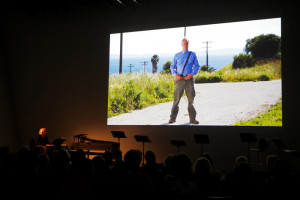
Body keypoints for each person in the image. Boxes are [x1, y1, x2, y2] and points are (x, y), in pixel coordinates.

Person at [169, 38, 200, 124]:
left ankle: (192, 119)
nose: (185, 45)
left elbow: (197, 66)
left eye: (186, 43)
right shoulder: (177, 55)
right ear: (181, 44)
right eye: (184, 43)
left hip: (189, 80)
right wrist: (175, 74)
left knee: (191, 100)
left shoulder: (193, 54)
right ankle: (172, 118)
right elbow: (172, 66)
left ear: (188, 44)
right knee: (176, 100)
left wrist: (192, 74)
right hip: (179, 80)